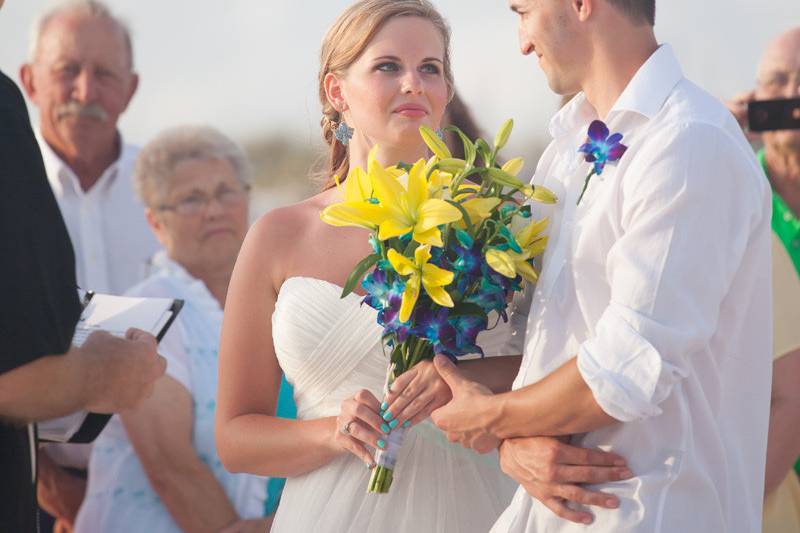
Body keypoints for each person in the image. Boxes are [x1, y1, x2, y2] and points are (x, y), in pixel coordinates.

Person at [431, 1, 773, 532]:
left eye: (523, 11)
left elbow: (623, 372)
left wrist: (493, 421)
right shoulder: (565, 150)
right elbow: (546, 347)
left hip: (653, 513)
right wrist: (508, 440)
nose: (522, 42)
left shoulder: (688, 144)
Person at [0, 3, 165, 528]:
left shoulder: (178, 191)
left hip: (162, 491)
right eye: (67, 71)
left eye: (105, 74)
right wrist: (49, 490)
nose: (85, 92)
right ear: (28, 79)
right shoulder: (10, 183)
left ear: (132, 88)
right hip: (32, 493)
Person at [72, 126, 277, 533]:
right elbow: (171, 469)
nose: (214, 210)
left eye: (225, 192)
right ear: (155, 222)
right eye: (191, 199)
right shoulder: (139, 313)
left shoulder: (280, 301)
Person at [726, 27, 800, 533]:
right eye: (777, 82)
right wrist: (719, 139)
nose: (794, 92)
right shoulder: (733, 195)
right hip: (763, 457)